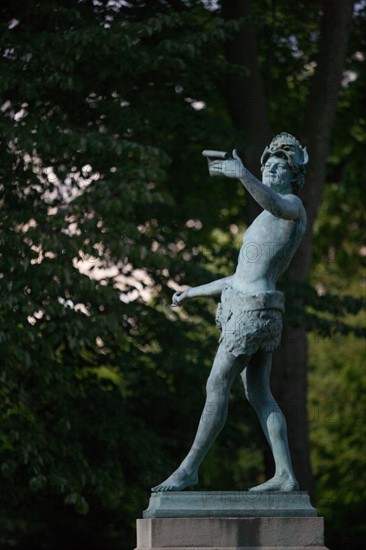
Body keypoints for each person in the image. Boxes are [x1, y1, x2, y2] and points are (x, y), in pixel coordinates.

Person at [152, 132, 309, 493]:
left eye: (278, 166)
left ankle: (188, 468)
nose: (269, 170)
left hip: (253, 315)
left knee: (216, 384)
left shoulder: (290, 206)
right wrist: (192, 292)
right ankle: (285, 474)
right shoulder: (265, 219)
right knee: (259, 395)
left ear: (293, 176)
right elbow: (238, 278)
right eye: (266, 165)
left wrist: (242, 175)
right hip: (253, 308)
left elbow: (273, 202)